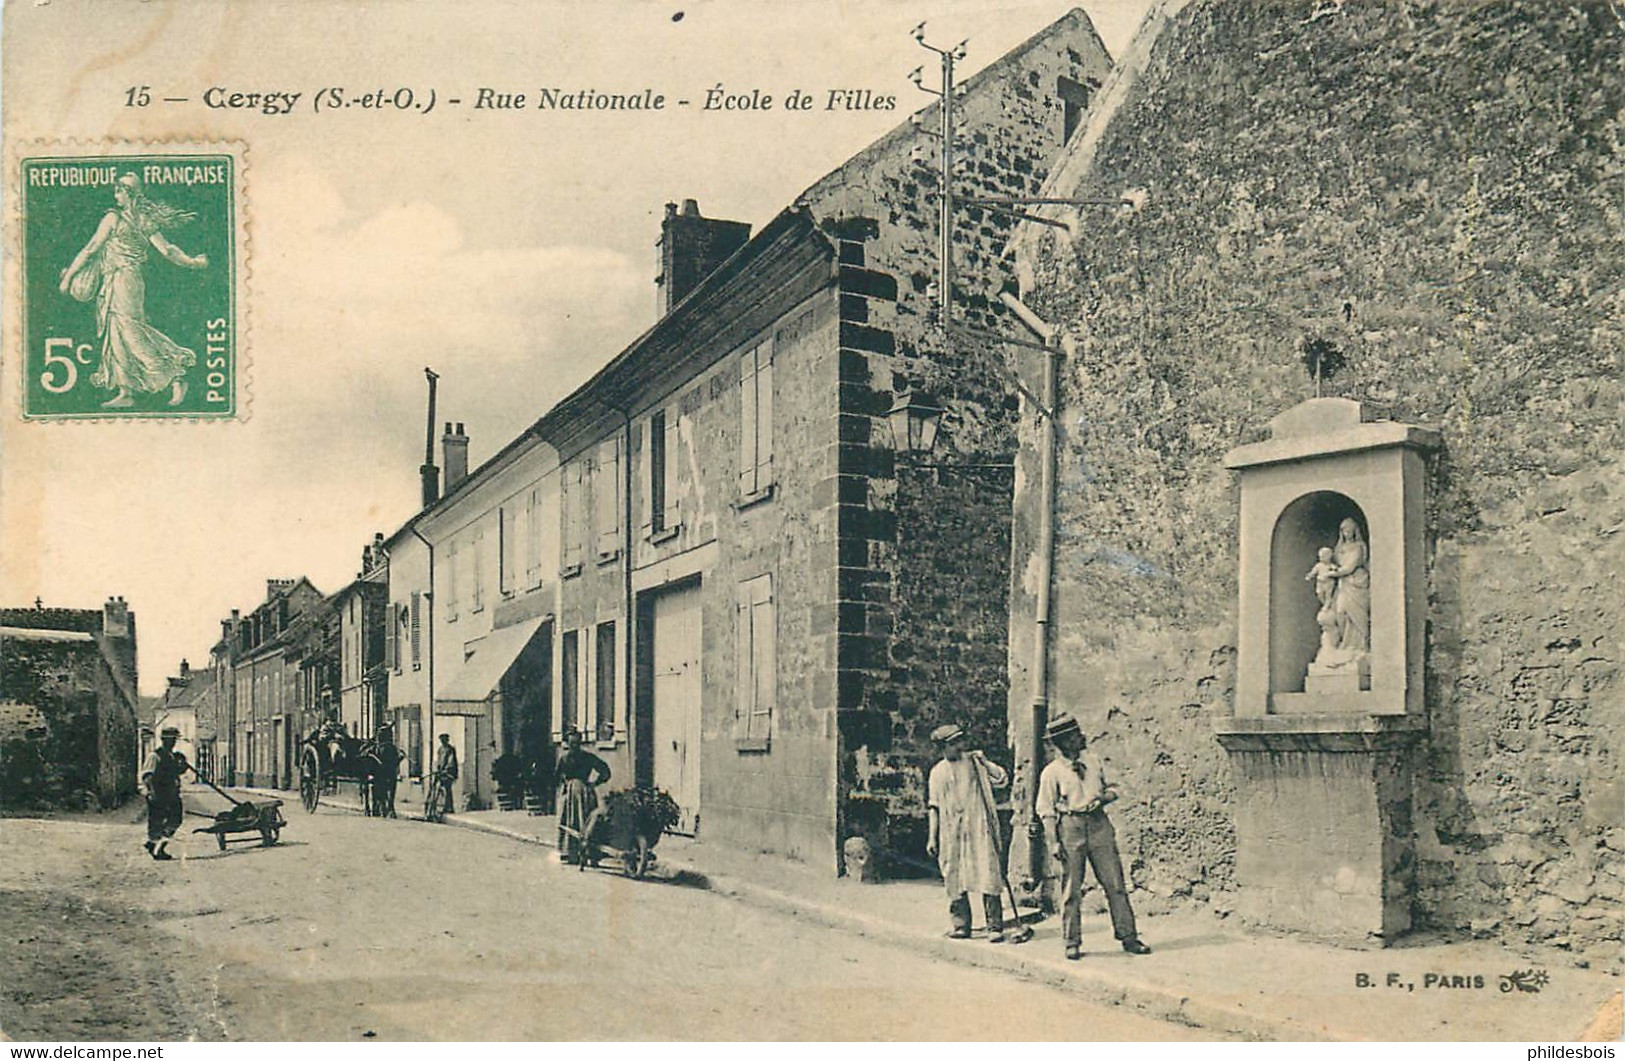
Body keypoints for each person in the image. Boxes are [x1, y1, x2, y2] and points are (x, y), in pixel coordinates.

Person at [57, 173, 208, 408]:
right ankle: (126, 391)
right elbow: (167, 250)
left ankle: (176, 374)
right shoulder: (144, 219)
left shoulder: (113, 218)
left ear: (129, 193)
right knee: (116, 332)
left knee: (130, 331)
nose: (115, 195)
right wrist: (192, 262)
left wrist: (68, 278)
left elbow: (90, 249)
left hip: (122, 280)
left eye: (119, 191)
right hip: (124, 280)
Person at [1036, 714, 1151, 960]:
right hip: (1070, 827)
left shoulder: (1094, 761)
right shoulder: (1051, 773)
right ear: (1064, 742)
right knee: (1071, 889)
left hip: (1099, 825)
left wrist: (1102, 799)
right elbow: (1045, 811)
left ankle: (1128, 937)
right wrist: (1053, 842)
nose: (1081, 737)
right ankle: (1071, 941)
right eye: (1075, 735)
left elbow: (1115, 788)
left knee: (1115, 884)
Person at [926, 723, 1014, 942]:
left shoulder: (974, 763)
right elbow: (934, 807)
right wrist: (932, 836)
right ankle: (961, 925)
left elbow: (1002, 780)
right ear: (943, 748)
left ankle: (995, 926)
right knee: (953, 874)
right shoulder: (937, 773)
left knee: (987, 871)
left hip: (979, 825)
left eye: (960, 742)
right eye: (953, 744)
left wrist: (984, 761)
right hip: (952, 830)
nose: (959, 747)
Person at [555, 728, 610, 862]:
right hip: (570, 794)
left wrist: (594, 783)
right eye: (571, 743)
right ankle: (569, 852)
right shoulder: (564, 759)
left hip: (584, 793)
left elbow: (605, 771)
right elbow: (556, 777)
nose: (574, 746)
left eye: (577, 743)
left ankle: (589, 852)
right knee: (569, 821)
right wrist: (564, 784)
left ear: (580, 743)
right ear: (567, 744)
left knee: (588, 821)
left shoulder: (588, 757)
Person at [141, 726, 188, 861]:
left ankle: (153, 844)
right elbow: (147, 776)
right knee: (157, 822)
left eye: (174, 740)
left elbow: (177, 771)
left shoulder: (172, 756)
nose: (172, 742)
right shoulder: (154, 756)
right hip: (159, 794)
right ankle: (157, 849)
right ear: (163, 740)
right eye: (169, 740)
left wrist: (182, 764)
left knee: (175, 820)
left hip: (172, 794)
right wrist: (151, 792)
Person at [1328, 518, 1370, 653]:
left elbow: (1350, 567)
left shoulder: (1359, 546)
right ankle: (1345, 643)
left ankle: (1359, 645)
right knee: (1340, 612)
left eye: (1350, 531)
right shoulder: (1339, 548)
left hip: (1357, 582)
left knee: (1357, 615)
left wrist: (1332, 574)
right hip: (1343, 584)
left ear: (1354, 531)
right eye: (1345, 531)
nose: (1347, 534)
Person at [431, 733, 459, 816]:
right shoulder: (440, 749)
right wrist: (437, 768)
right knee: (438, 788)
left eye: (444, 740)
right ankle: (439, 805)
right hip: (441, 771)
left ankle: (449, 807)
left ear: (447, 740)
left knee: (447, 789)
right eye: (441, 740)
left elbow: (451, 761)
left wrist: (447, 769)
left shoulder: (450, 749)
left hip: (449, 772)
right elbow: (439, 760)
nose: (442, 742)